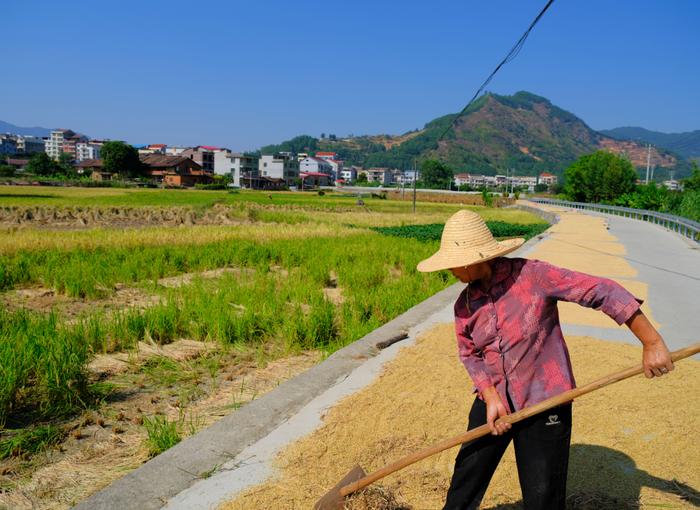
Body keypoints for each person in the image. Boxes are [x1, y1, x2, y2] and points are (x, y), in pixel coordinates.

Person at [416, 210, 674, 510]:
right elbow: (469, 354)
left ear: (475, 260)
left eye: (453, 265)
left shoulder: (534, 277)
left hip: (544, 402)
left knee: (543, 494)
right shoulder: (465, 305)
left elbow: (602, 291)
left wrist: (652, 342)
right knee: (467, 474)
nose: (450, 271)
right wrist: (490, 396)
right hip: (494, 402)